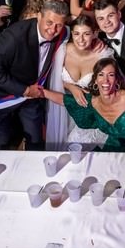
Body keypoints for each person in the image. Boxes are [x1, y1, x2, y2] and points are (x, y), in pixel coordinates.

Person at [0, 0, 68, 150]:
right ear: (39, 16)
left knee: (35, 142)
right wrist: (25, 90)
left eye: (59, 25)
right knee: (2, 145)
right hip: (4, 96)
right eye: (49, 23)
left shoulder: (63, 34)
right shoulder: (13, 37)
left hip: (32, 98)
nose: (53, 30)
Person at [50, 58, 125, 151]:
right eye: (101, 75)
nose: (105, 80)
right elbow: (64, 100)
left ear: (117, 80)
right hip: (114, 146)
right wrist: (43, 93)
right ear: (95, 80)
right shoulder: (92, 102)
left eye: (111, 75)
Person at [42, 15, 111, 150]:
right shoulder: (62, 50)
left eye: (86, 34)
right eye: (77, 34)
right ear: (72, 33)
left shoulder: (103, 55)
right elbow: (50, 79)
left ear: (95, 34)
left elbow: (109, 87)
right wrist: (71, 87)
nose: (81, 39)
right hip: (62, 110)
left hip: (89, 113)